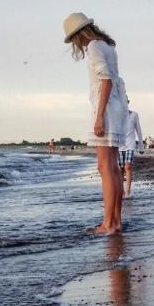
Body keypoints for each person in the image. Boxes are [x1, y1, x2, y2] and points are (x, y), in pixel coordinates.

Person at [64, 12, 125, 234]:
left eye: (73, 39)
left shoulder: (94, 48)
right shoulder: (108, 46)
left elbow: (106, 80)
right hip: (116, 107)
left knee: (105, 167)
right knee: (114, 167)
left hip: (106, 107)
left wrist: (99, 116)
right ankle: (115, 221)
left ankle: (108, 224)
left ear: (78, 35)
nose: (74, 44)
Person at [119, 100, 143, 198]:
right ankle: (121, 191)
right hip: (119, 146)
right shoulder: (117, 116)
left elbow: (138, 130)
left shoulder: (134, 115)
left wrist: (141, 145)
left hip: (130, 145)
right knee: (120, 169)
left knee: (128, 167)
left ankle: (127, 192)